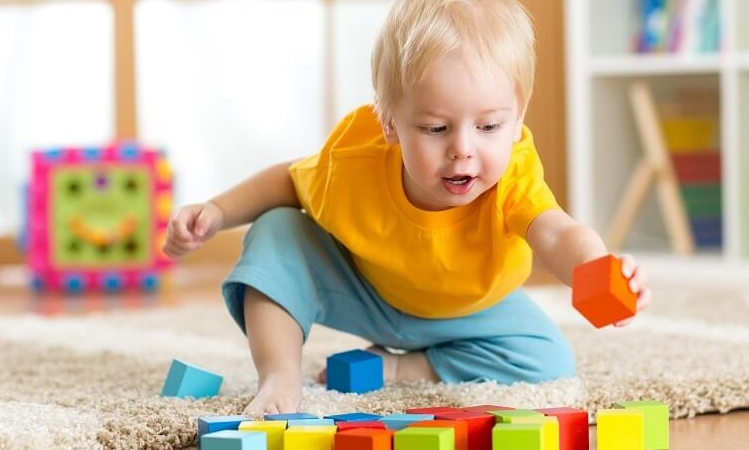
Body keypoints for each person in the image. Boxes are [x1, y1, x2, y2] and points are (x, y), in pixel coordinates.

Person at [163, 0, 651, 416]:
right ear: (390, 123)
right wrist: (217, 211)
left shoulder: (514, 176)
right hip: (365, 289)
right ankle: (279, 375)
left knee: (548, 358)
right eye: (436, 128)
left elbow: (556, 233)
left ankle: (404, 366)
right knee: (276, 230)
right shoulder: (357, 159)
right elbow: (289, 181)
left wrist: (595, 265)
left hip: (470, 308)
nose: (463, 149)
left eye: (489, 127)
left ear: (517, 118)